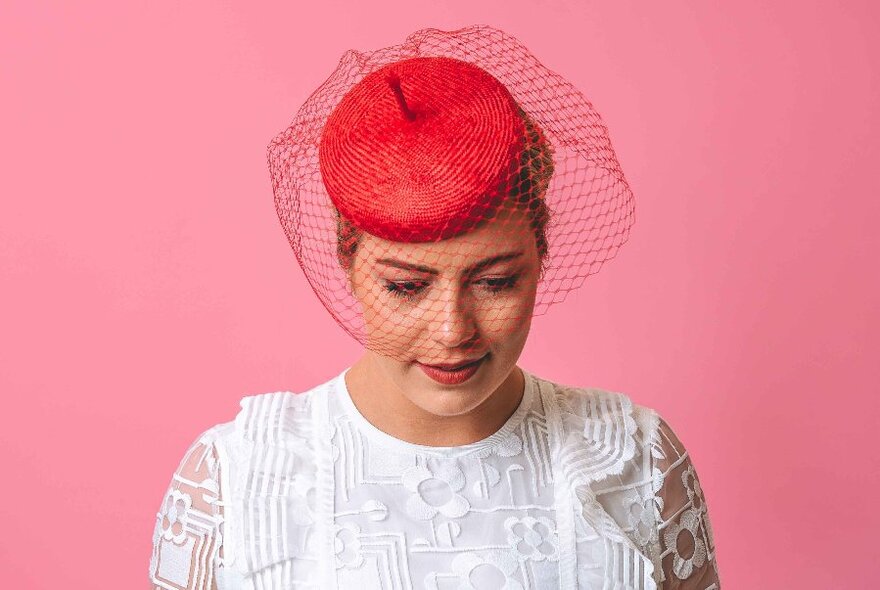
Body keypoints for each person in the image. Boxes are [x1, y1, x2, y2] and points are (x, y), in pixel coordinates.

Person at [149, 25, 721, 589]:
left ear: (541, 258)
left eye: (495, 282)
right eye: (405, 287)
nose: (452, 330)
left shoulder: (634, 463)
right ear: (347, 263)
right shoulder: (238, 477)